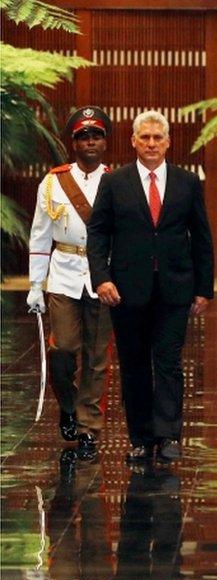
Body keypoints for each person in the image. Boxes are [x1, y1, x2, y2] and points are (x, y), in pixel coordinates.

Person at [87, 110, 214, 465]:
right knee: (134, 364)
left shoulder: (187, 182)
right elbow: (97, 233)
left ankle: (169, 435)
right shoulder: (115, 183)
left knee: (170, 362)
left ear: (169, 142)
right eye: (145, 137)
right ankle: (141, 438)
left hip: (176, 288)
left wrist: (204, 288)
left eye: (158, 138)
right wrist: (101, 278)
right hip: (126, 290)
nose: (152, 144)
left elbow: (201, 237)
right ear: (133, 141)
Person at [27, 106, 114, 463]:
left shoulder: (118, 181)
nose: (90, 141)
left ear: (105, 142)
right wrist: (36, 284)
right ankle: (67, 404)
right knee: (63, 348)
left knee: (96, 357)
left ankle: (88, 428)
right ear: (73, 142)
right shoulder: (52, 182)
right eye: (82, 136)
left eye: (96, 135)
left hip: (103, 278)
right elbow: (39, 234)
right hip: (63, 272)